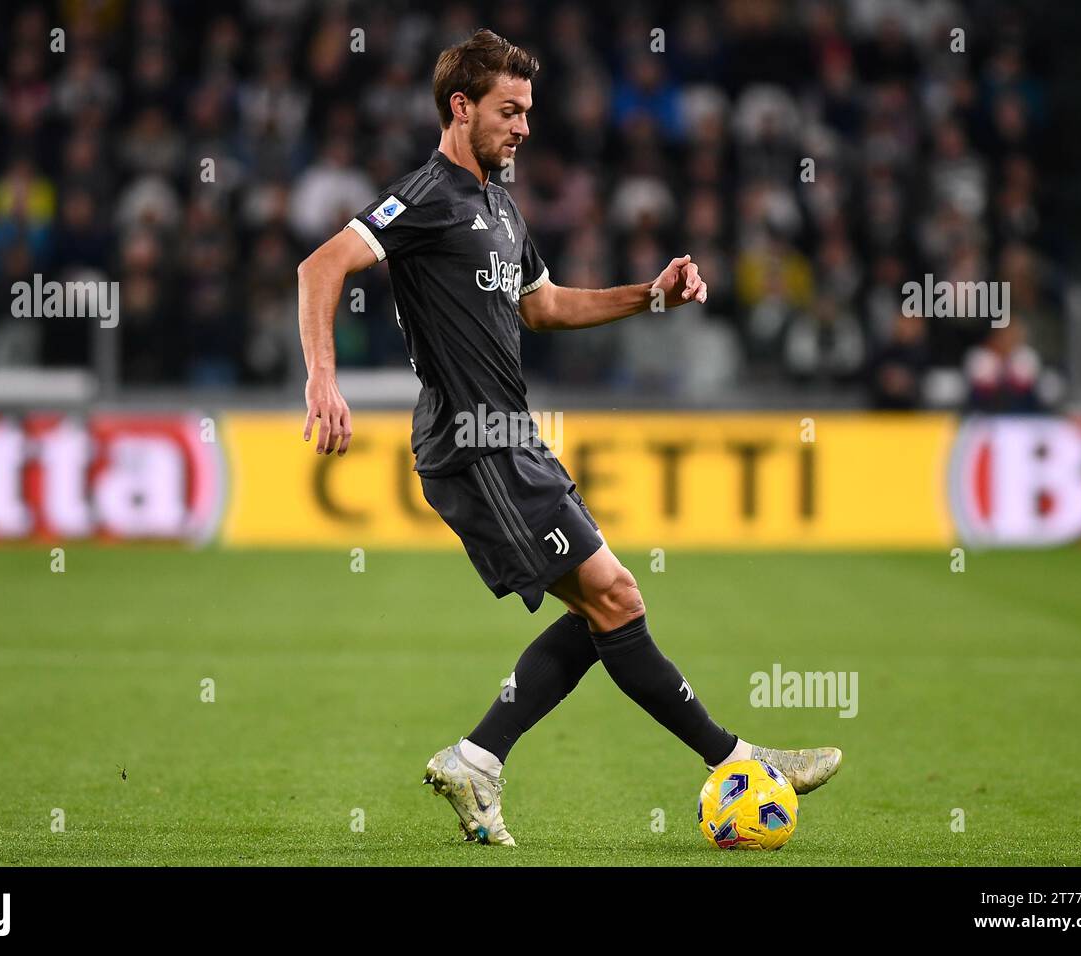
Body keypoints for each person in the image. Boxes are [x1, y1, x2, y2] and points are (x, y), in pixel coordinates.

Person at [296, 29, 841, 846]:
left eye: (527, 112)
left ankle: (480, 757)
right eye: (507, 111)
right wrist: (323, 378)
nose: (522, 127)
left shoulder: (501, 207)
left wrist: (650, 296)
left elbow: (545, 308)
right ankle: (737, 760)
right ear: (460, 107)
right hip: (472, 441)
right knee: (615, 595)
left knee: (606, 610)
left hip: (511, 438)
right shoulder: (425, 195)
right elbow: (320, 267)